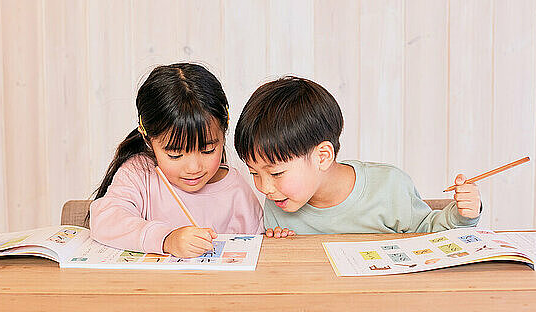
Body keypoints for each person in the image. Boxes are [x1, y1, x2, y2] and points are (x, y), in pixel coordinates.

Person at [234, 76, 482, 238]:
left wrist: (463, 215)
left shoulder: (389, 187)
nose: (264, 187)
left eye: (276, 173)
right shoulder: (280, 204)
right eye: (254, 173)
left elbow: (430, 232)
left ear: (323, 156)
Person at [90, 63, 263, 257]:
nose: (193, 168)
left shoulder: (237, 192)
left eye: (207, 150)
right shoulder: (139, 174)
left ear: (223, 133)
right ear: (147, 138)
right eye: (175, 154)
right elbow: (104, 219)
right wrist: (166, 239)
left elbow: (257, 254)